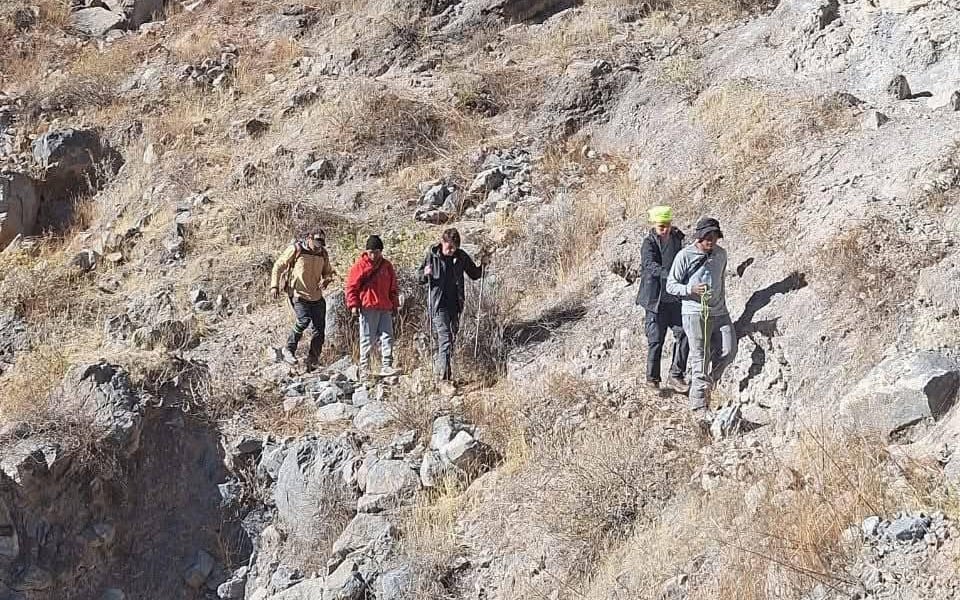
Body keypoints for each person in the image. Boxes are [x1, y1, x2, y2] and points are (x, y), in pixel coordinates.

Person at [666, 217, 737, 422]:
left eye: (715, 236)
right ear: (699, 236)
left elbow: (721, 280)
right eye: (707, 236)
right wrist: (690, 289)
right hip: (694, 312)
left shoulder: (721, 255)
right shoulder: (684, 256)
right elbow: (671, 285)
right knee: (700, 356)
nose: (711, 240)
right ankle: (698, 406)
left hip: (719, 311)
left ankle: (708, 383)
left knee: (729, 350)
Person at [417, 228, 484, 381]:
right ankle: (444, 378)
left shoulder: (461, 257)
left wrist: (483, 266)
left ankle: (442, 370)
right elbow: (419, 278)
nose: (452, 250)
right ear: (442, 242)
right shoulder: (432, 256)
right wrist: (425, 273)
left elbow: (474, 274)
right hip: (438, 304)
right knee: (445, 337)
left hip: (456, 304)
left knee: (451, 338)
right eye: (450, 247)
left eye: (455, 248)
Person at [635, 205, 689, 392]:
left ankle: (676, 375)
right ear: (654, 226)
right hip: (654, 300)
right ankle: (652, 379)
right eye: (661, 226)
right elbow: (650, 265)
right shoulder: (648, 244)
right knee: (656, 339)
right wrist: (672, 276)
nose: (664, 229)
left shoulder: (677, 239)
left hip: (673, 299)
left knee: (683, 333)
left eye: (667, 225)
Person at [270, 230, 335, 369]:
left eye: (321, 242)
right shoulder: (296, 249)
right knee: (303, 320)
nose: (319, 245)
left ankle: (313, 359)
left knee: (319, 329)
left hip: (316, 295)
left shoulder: (322, 253)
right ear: (309, 238)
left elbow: (328, 272)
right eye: (317, 241)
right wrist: (274, 286)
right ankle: (289, 349)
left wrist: (326, 280)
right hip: (298, 294)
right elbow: (278, 265)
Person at [345, 235, 400, 379]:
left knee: (388, 336)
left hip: (385, 307)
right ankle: (365, 368)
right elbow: (351, 287)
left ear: (381, 251)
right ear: (366, 251)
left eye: (376, 251)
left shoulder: (387, 266)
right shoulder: (360, 266)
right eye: (370, 252)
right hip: (368, 306)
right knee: (367, 338)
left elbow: (393, 288)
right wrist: (353, 305)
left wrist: (394, 304)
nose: (373, 255)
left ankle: (386, 365)